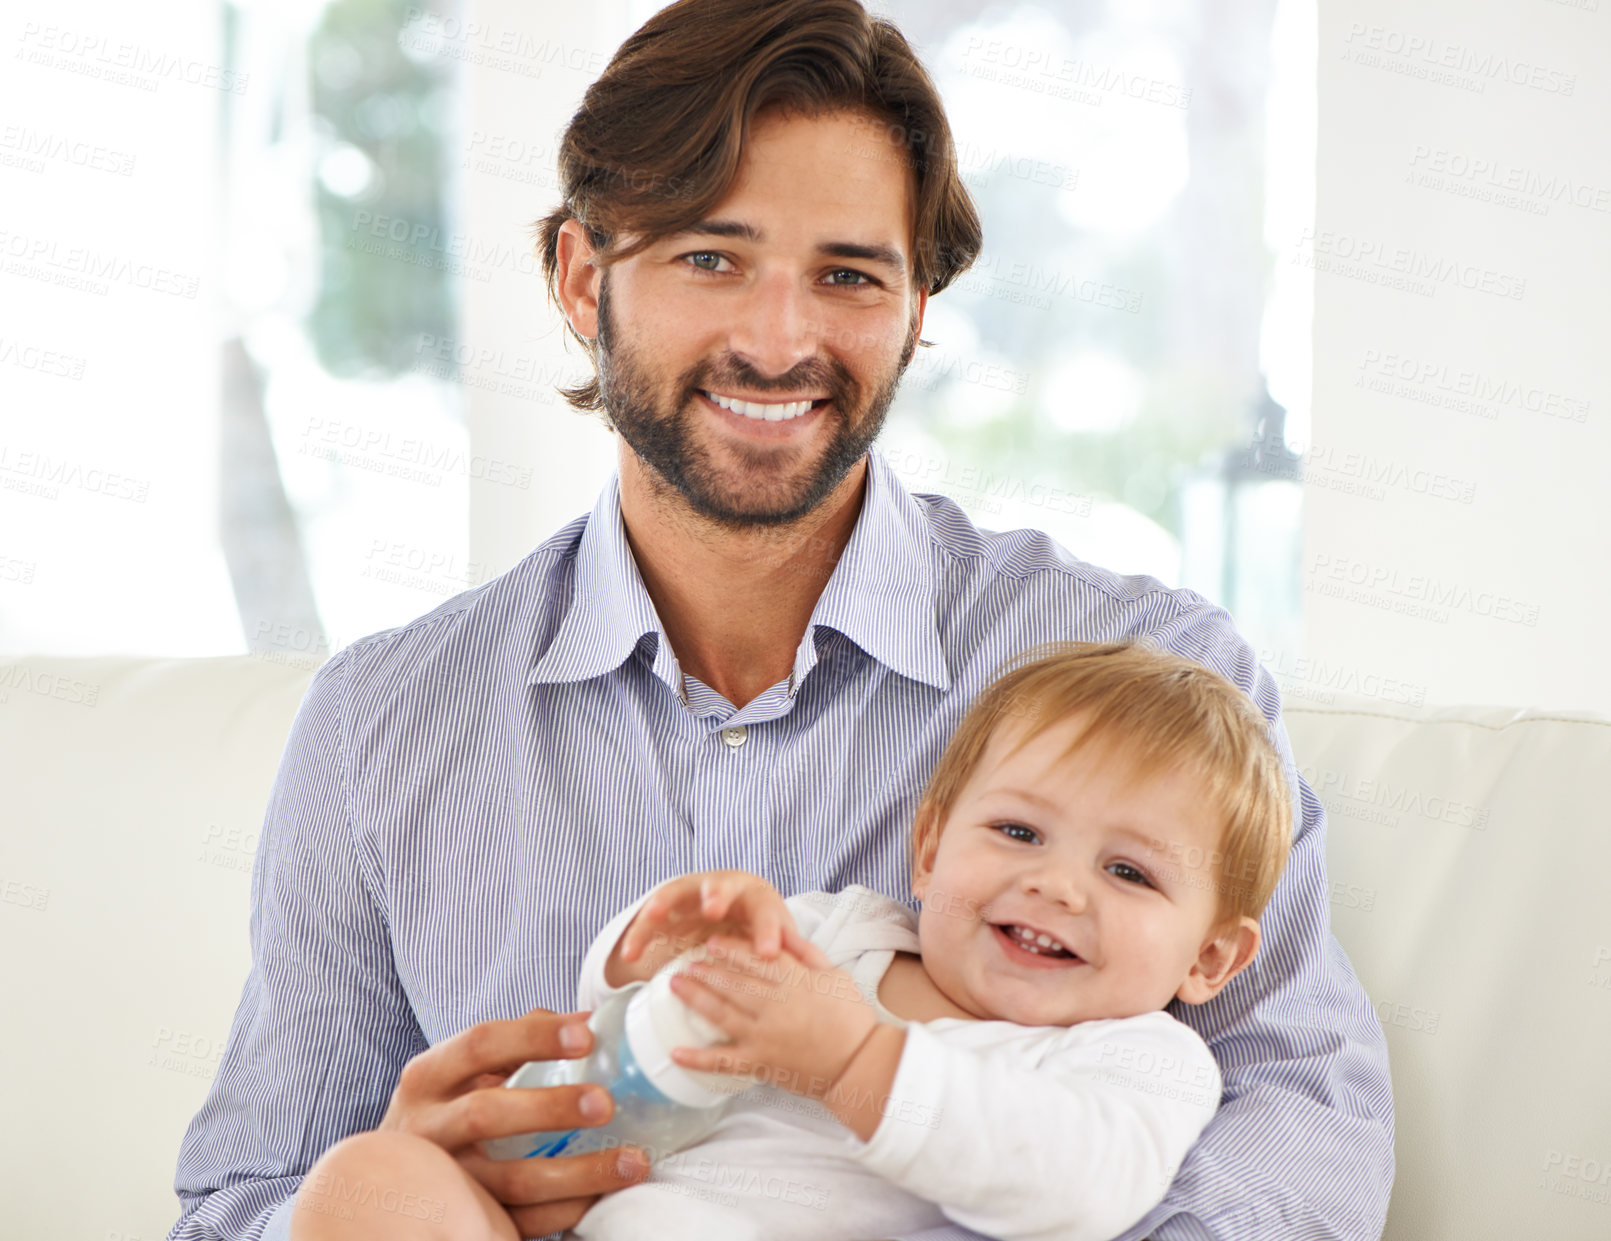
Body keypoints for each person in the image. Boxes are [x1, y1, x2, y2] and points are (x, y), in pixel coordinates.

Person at [168, 1, 1393, 1239]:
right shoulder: (379, 727)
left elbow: (1300, 1126)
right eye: (712, 256)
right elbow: (241, 1195)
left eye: (850, 275)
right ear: (584, 277)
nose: (778, 339)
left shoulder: (1165, 686)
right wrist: (409, 1173)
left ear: (919, 307)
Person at [549, 640, 1292, 1241]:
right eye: (1018, 831)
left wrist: (854, 1063)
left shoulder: (1137, 1059)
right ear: (930, 851)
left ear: (1207, 957)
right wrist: (653, 948)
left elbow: (1076, 1189)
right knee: (432, 1181)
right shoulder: (832, 932)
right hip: (582, 1210)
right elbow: (619, 1028)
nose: (1057, 885)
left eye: (1128, 871)